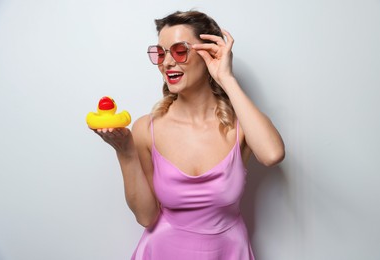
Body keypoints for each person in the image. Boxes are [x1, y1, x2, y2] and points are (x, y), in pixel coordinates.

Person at [93, 10, 285, 260]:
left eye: (179, 51)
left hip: (228, 252)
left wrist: (226, 77)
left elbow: (272, 154)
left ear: (210, 54)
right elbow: (146, 217)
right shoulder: (146, 129)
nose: (167, 62)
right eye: (161, 53)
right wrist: (125, 151)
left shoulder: (241, 126)